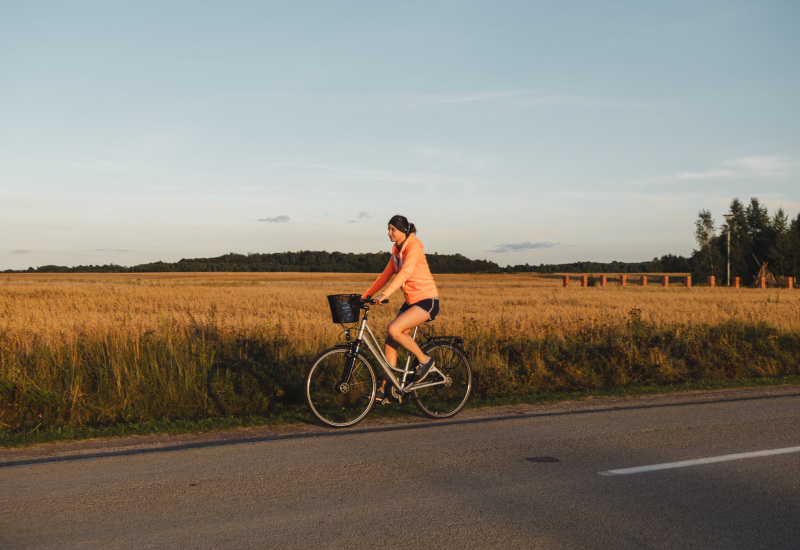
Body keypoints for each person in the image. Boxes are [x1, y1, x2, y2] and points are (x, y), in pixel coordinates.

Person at [362, 215, 439, 404]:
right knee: (390, 341)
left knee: (394, 330)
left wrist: (386, 295)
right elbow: (385, 275)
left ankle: (425, 361)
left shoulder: (413, 247)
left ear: (403, 231)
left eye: (392, 230)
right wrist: (366, 295)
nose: (389, 233)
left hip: (426, 300)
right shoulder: (396, 251)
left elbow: (405, 273)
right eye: (388, 229)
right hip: (411, 301)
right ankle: (385, 390)